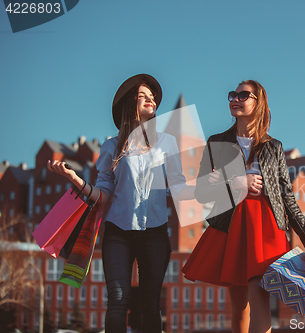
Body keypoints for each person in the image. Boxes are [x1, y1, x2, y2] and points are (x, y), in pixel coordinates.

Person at [48, 74, 195, 333]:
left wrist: (218, 183)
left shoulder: (166, 143)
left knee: (150, 305)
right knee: (117, 301)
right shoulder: (111, 146)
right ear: (130, 103)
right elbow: (102, 196)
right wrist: (73, 178)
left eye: (153, 96)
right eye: (143, 95)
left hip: (155, 234)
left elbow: (179, 189)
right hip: (118, 234)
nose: (151, 99)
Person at [182, 79, 305, 333]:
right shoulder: (217, 142)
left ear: (259, 103)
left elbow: (287, 198)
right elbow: (203, 192)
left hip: (267, 227)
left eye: (243, 95)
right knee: (239, 307)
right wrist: (236, 182)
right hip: (231, 225)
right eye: (232, 95)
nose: (235, 99)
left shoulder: (273, 147)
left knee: (258, 295)